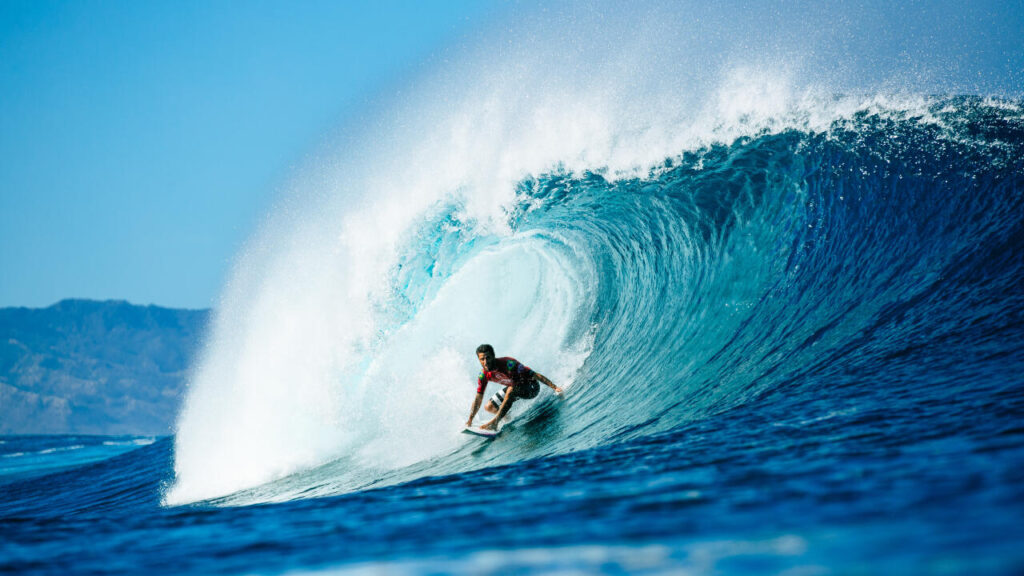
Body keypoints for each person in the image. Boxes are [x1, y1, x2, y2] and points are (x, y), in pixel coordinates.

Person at [466, 344, 562, 431]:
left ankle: (495, 422)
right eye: (482, 359)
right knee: (489, 407)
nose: (485, 362)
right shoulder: (483, 375)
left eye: (488, 358)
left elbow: (535, 375)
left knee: (511, 390)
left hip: (531, 388)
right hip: (513, 387)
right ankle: (506, 418)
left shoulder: (509, 364)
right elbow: (478, 397)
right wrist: (470, 419)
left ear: (493, 356)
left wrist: (555, 387)